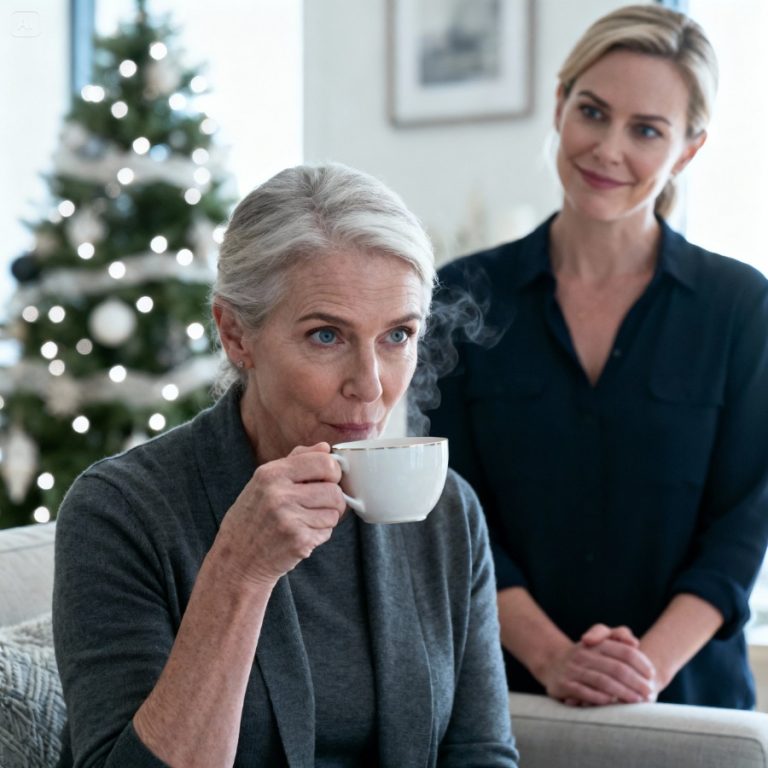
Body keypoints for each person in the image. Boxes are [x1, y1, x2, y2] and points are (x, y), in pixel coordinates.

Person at [52, 163, 519, 767]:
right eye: (327, 336)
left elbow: (481, 754)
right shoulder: (121, 511)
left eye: (397, 336)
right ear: (236, 334)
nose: (370, 386)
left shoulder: (446, 510)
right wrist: (239, 573)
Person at [426, 4, 768, 710]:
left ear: (689, 149)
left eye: (646, 130)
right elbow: (452, 507)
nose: (608, 150)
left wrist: (641, 672)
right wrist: (554, 661)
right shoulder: (462, 294)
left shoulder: (741, 307)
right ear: (559, 106)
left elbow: (746, 522)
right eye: (592, 111)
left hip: (688, 703)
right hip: (505, 702)